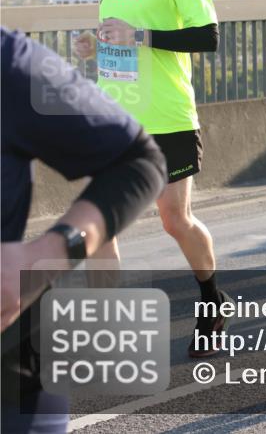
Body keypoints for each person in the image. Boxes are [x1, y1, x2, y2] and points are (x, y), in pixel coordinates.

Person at [72, 0, 230, 358]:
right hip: (114, 117)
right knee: (98, 224)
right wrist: (93, 43)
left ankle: (212, 300)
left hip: (168, 117)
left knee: (174, 220)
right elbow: (117, 32)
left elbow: (208, 37)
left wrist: (140, 37)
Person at [2, 28, 166, 434]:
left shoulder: (10, 62)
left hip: (11, 389)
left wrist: (45, 257)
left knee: (177, 219)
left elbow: (138, 163)